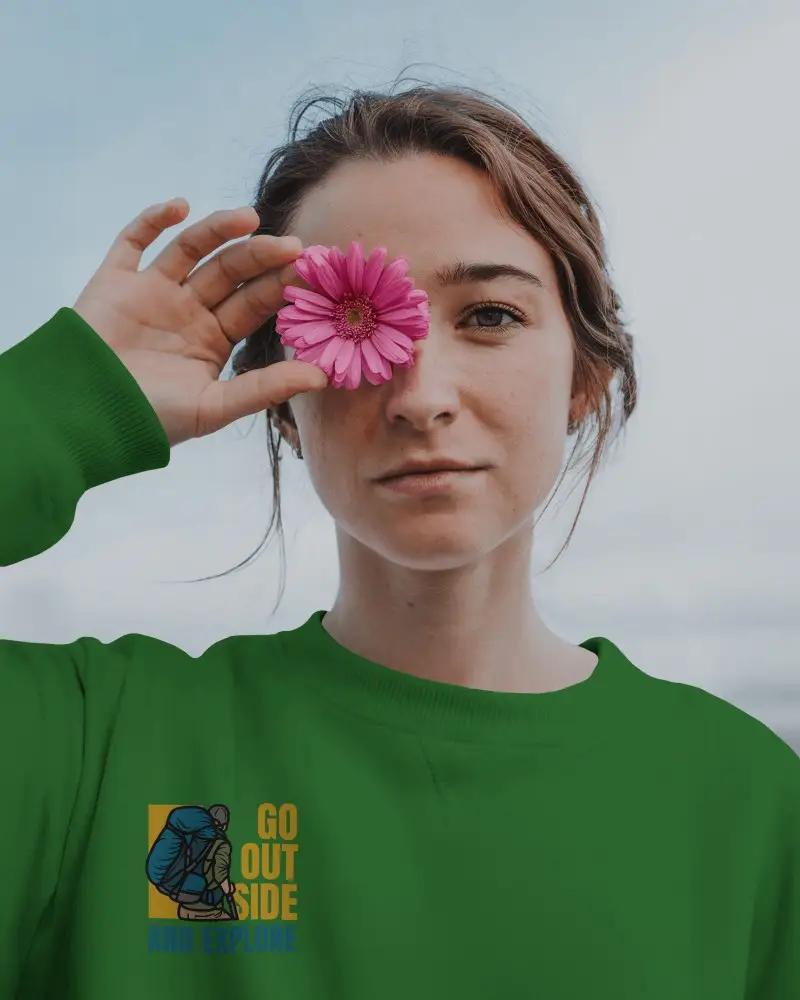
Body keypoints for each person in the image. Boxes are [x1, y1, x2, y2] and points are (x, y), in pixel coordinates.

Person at [0, 81, 798, 999]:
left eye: (490, 316)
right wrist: (65, 409)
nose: (421, 398)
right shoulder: (93, 752)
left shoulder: (748, 801)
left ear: (585, 377)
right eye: (356, 324)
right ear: (282, 404)